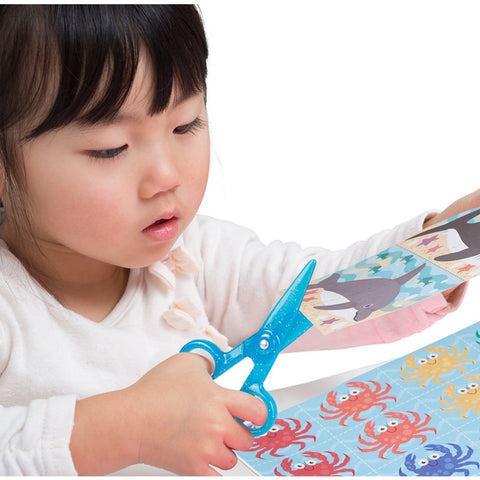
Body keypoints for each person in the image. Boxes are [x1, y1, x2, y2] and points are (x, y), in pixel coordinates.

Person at [0, 4, 475, 476]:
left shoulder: (190, 256)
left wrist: (452, 241)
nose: (165, 177)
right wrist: (129, 427)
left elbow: (324, 296)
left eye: (185, 124)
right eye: (110, 149)